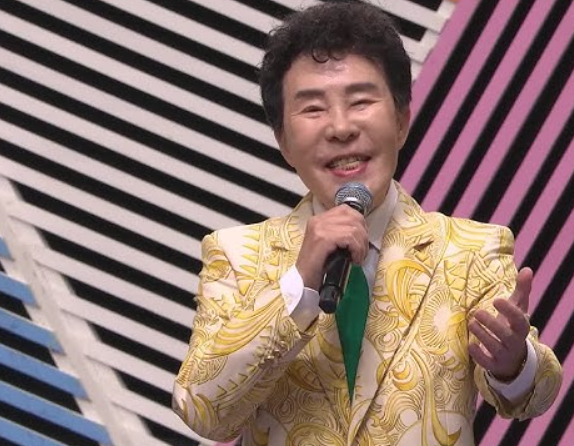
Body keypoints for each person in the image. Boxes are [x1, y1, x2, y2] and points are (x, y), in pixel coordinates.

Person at [173, 2, 562, 445]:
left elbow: (536, 395)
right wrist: (298, 286)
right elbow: (202, 411)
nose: (340, 127)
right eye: (313, 109)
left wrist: (513, 364)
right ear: (284, 142)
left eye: (360, 101)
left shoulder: (471, 249)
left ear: (401, 121)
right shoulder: (236, 253)